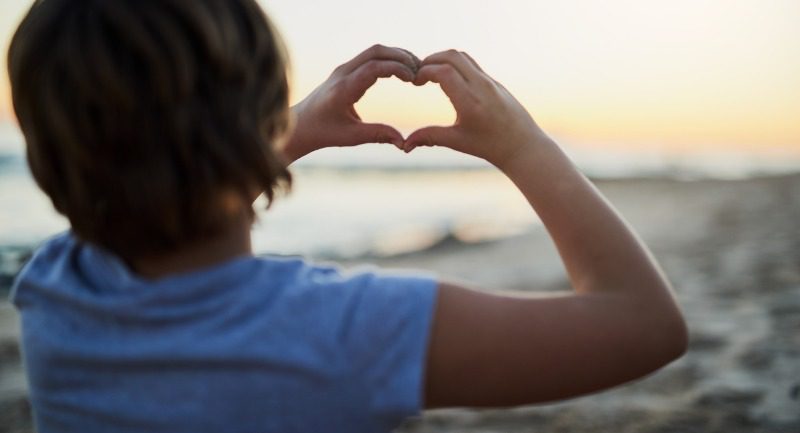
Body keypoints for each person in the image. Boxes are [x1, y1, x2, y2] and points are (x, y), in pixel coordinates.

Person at [7, 0, 688, 432]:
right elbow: (645, 323)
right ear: (262, 114)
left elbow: (139, 175)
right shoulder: (346, 330)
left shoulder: (51, 292)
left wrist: (281, 132)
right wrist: (524, 146)